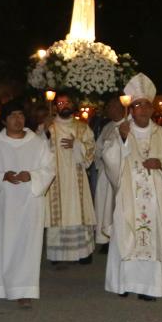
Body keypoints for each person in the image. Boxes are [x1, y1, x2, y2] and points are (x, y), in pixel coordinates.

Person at [104, 74, 162, 301]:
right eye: (137, 105)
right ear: (131, 109)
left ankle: (149, 287)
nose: (143, 110)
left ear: (152, 108)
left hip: (155, 198)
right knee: (126, 233)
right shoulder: (121, 131)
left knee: (150, 238)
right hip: (129, 196)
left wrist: (161, 164)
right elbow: (109, 159)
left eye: (147, 105)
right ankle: (124, 282)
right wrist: (123, 140)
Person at [0, 101, 55, 308]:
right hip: (4, 205)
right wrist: (2, 176)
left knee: (27, 246)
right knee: (3, 243)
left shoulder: (37, 143)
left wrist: (32, 175)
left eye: (21, 115)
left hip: (30, 203)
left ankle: (24, 290)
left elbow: (49, 168)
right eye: (12, 116)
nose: (18, 119)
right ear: (4, 120)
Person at [45, 91, 96, 265]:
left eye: (67, 102)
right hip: (56, 179)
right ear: (55, 107)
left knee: (79, 212)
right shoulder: (49, 127)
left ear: (73, 105)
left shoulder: (82, 127)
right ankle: (58, 255)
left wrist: (77, 145)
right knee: (58, 214)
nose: (64, 105)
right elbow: (38, 150)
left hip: (77, 179)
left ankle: (83, 252)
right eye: (60, 103)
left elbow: (90, 150)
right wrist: (43, 133)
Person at [94, 97, 127, 253]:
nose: (111, 110)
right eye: (109, 107)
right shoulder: (108, 127)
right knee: (105, 206)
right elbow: (97, 149)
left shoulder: (129, 126)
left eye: (114, 107)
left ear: (122, 108)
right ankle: (106, 238)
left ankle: (120, 237)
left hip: (122, 175)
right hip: (105, 177)